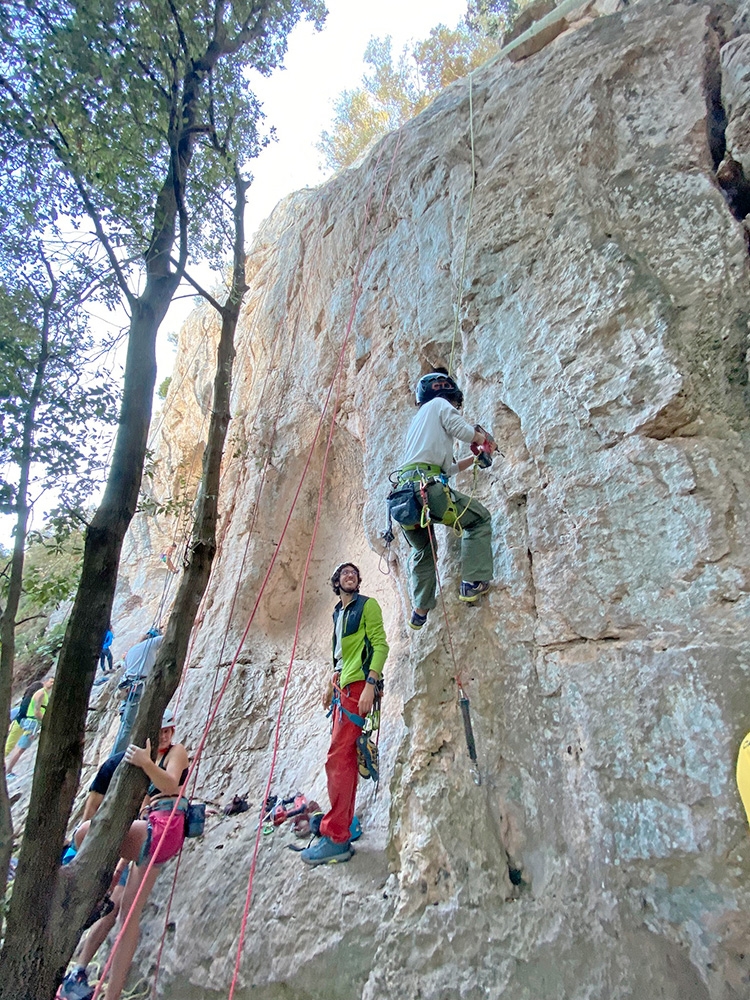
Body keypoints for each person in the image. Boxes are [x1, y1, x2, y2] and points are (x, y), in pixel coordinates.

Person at [66, 709, 188, 1000]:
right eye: (161, 730)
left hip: (165, 825)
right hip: (154, 830)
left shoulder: (176, 752)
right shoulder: (137, 762)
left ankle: (95, 891)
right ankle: (112, 994)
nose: (165, 735)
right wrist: (120, 863)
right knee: (126, 917)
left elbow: (171, 784)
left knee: (84, 833)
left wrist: (146, 762)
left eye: (168, 731)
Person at [300, 563, 389, 866]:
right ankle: (345, 822)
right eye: (344, 573)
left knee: (337, 759)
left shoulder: (368, 606)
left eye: (354, 572)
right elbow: (340, 657)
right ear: (336, 582)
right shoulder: (338, 614)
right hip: (343, 689)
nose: (350, 575)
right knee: (346, 757)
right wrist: (330, 684)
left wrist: (371, 684)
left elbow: (380, 645)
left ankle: (337, 835)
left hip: (359, 688)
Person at [395, 368, 496, 630]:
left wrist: (474, 458)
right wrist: (484, 440)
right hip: (428, 491)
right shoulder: (439, 405)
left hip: (404, 498)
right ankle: (472, 582)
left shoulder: (418, 425)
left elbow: (447, 469)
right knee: (479, 519)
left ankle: (419, 610)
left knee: (423, 549)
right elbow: (461, 429)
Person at [59, 750, 128, 1000]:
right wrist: (82, 845)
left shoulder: (156, 763)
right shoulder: (114, 764)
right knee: (88, 905)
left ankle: (77, 972)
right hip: (103, 838)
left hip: (124, 840)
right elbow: (93, 804)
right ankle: (72, 973)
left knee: (112, 907)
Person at [112, 628, 163, 754]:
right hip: (137, 686)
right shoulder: (151, 643)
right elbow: (168, 638)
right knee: (129, 727)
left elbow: (125, 668)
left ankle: (119, 754)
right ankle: (116, 757)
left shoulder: (132, 650)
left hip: (127, 687)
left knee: (126, 725)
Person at [5, 675, 54, 777]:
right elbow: (35, 712)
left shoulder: (28, 698)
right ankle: (8, 771)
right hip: (25, 723)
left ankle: (8, 770)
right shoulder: (39, 695)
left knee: (12, 747)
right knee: (17, 747)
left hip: (20, 722)